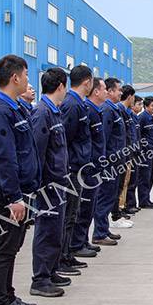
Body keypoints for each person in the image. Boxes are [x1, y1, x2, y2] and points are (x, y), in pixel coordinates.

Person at [0, 54, 40, 305]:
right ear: (15, 77)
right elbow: (5, 158)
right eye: (26, 75)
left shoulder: (15, 108)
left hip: (21, 191)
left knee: (12, 248)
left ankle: (7, 297)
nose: (28, 80)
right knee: (4, 249)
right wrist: (14, 197)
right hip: (7, 195)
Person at [30, 68, 70, 298]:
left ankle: (51, 270)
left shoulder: (54, 112)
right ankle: (40, 279)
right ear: (61, 86)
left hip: (59, 181)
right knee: (46, 230)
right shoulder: (42, 112)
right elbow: (37, 152)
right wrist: (39, 185)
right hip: (48, 184)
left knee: (56, 229)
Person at [59, 65, 94, 272]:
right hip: (72, 169)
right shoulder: (71, 104)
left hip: (79, 167)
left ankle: (68, 254)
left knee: (73, 214)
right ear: (87, 82)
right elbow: (66, 138)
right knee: (68, 216)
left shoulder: (78, 103)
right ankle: (62, 258)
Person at [71, 78, 109, 255]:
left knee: (89, 207)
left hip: (95, 167)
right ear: (96, 91)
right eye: (104, 89)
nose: (106, 92)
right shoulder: (88, 110)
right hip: (86, 168)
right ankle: (77, 244)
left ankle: (83, 241)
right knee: (83, 208)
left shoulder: (95, 110)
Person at [92, 77, 130, 245]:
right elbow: (104, 138)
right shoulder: (107, 110)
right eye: (118, 90)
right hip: (110, 163)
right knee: (104, 197)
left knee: (110, 197)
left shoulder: (114, 109)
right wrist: (106, 161)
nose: (121, 93)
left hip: (116, 162)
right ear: (110, 91)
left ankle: (104, 229)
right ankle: (99, 233)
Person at [117, 85, 139, 216]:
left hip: (129, 152)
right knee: (122, 182)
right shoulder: (119, 110)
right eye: (134, 97)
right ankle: (119, 209)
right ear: (130, 96)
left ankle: (122, 206)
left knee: (126, 181)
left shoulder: (127, 112)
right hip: (122, 153)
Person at [137, 96, 153, 209]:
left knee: (150, 177)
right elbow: (138, 135)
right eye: (152, 105)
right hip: (145, 153)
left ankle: (147, 199)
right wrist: (142, 149)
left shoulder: (151, 118)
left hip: (152, 152)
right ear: (146, 106)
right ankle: (143, 201)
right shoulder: (142, 118)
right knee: (144, 177)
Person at [124, 95, 144, 213]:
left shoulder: (135, 117)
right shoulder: (129, 115)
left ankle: (131, 203)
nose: (141, 107)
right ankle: (127, 205)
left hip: (136, 152)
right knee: (129, 181)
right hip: (130, 152)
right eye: (139, 104)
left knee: (134, 179)